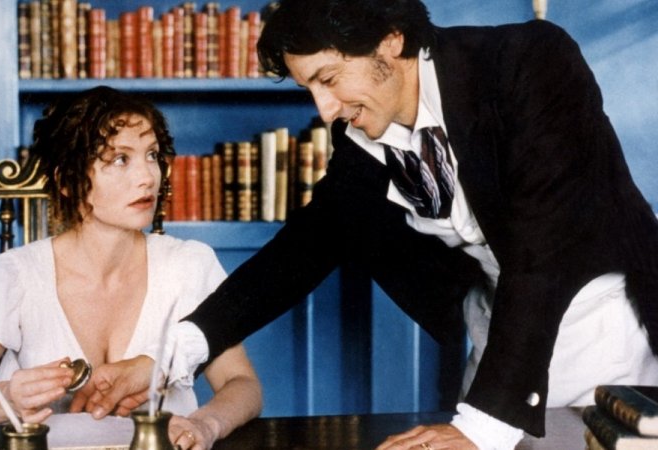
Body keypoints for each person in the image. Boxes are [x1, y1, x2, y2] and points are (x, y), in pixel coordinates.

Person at [76, 1, 658, 449]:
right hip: (496, 334)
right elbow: (300, 251)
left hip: (597, 319)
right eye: (309, 88)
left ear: (391, 40)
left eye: (329, 79)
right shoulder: (360, 135)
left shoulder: (528, 61)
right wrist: (170, 357)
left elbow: (543, 248)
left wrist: (483, 424)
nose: (324, 109)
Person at [0, 86, 262, 450]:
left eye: (152, 155)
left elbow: (243, 384)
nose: (148, 177)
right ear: (68, 181)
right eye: (121, 159)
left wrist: (205, 424)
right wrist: (7, 399)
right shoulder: (17, 277)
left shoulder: (188, 265)